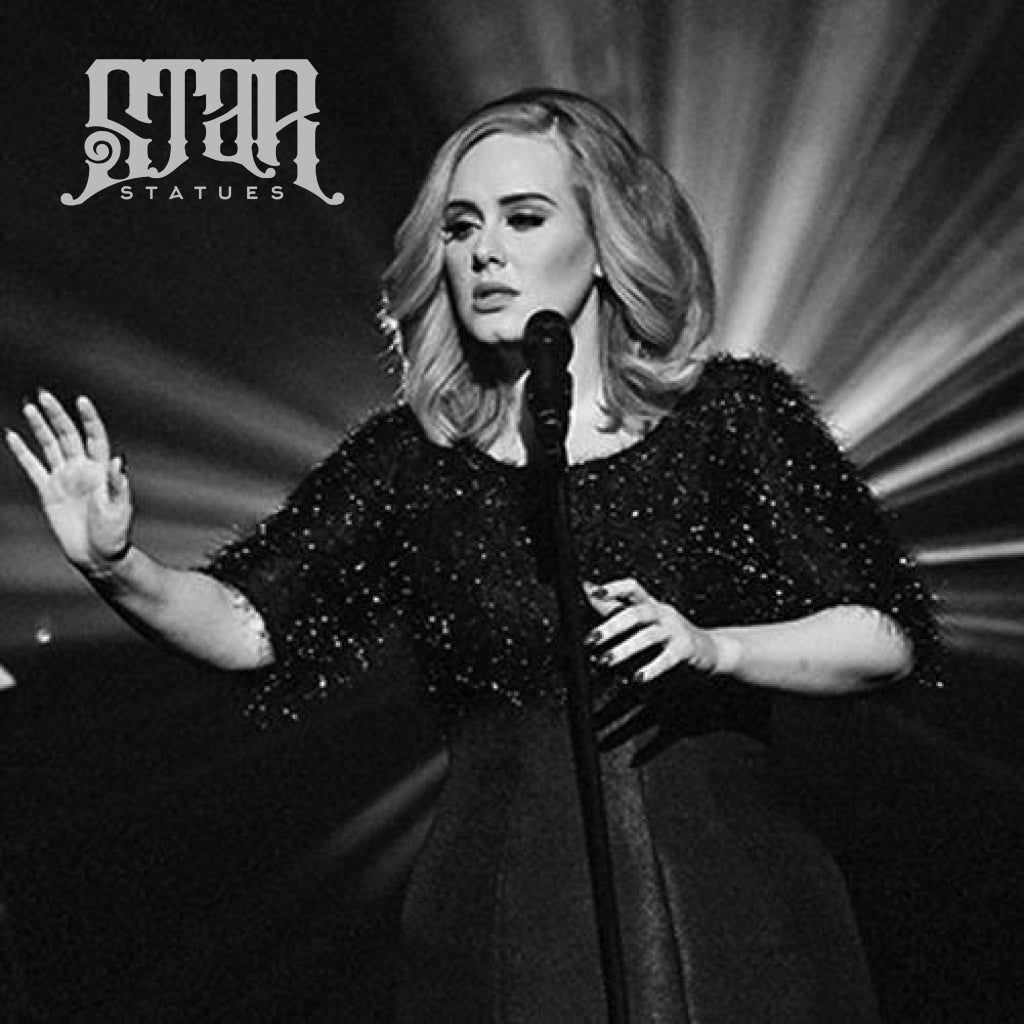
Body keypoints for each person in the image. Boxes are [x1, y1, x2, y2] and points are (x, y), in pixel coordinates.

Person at [7, 89, 938, 1021]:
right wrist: (119, 568)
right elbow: (252, 627)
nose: (485, 251)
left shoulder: (731, 416)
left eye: (523, 218)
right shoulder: (411, 461)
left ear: (605, 243)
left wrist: (714, 647)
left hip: (734, 910)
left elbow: (883, 633)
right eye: (460, 227)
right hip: (508, 921)